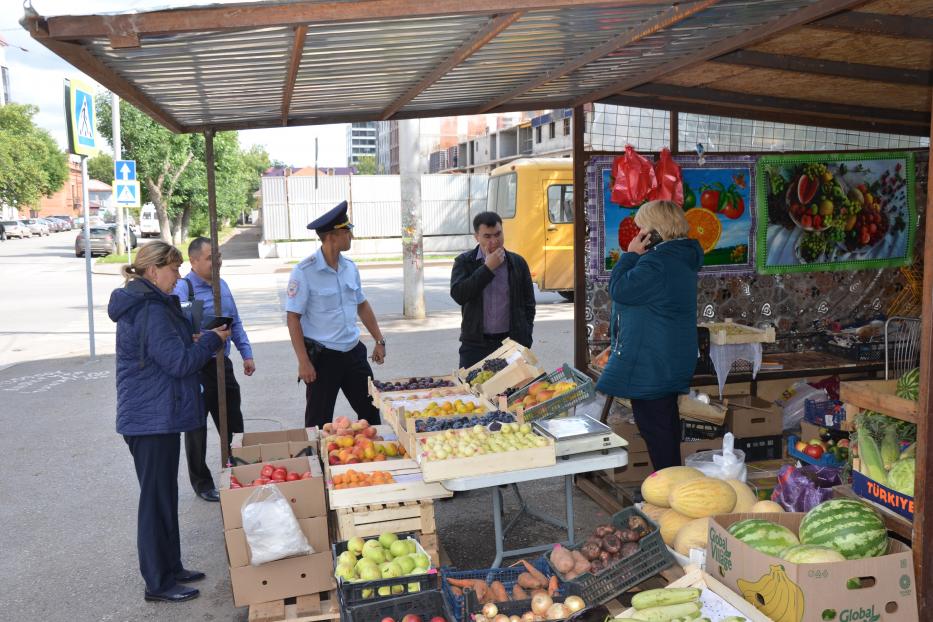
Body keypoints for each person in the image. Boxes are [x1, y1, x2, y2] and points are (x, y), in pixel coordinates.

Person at [107, 242, 230, 603]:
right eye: (174, 269)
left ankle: (171, 567)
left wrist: (190, 339)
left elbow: (161, 352)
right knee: (156, 501)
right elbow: (178, 363)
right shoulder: (150, 309)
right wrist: (209, 340)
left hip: (156, 415)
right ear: (152, 271)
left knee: (164, 497)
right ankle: (158, 583)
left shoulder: (150, 304)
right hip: (150, 420)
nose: (178, 277)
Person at [595, 200, 703, 470]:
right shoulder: (678, 258)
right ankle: (669, 485)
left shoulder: (657, 263)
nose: (637, 233)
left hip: (652, 363)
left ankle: (668, 491)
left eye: (641, 227)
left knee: (658, 432)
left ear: (654, 232)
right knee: (663, 428)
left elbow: (620, 289)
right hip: (666, 359)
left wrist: (630, 255)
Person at [285, 201, 386, 428]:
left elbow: (362, 304)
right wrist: (303, 362)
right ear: (332, 236)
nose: (351, 235)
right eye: (347, 231)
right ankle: (318, 462)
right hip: (323, 359)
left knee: (371, 411)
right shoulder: (304, 272)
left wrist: (379, 340)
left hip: (353, 353)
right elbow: (293, 318)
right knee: (318, 422)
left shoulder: (350, 267)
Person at [173, 237, 254, 502]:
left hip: (222, 363)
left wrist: (246, 354)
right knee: (196, 427)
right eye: (210, 258)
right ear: (194, 261)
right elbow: (174, 328)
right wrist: (194, 336)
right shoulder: (183, 289)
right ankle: (203, 483)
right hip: (196, 366)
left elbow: (236, 322)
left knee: (233, 421)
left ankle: (238, 468)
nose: (216, 262)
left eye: (218, 256)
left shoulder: (224, 285)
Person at [450, 211, 535, 369]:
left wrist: (526, 336)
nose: (494, 241)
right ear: (477, 237)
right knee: (472, 391)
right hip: (475, 345)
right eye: (487, 236)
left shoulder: (517, 263)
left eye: (498, 234)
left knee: (512, 392)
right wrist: (487, 268)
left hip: (511, 344)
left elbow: (529, 303)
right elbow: (459, 295)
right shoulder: (464, 262)